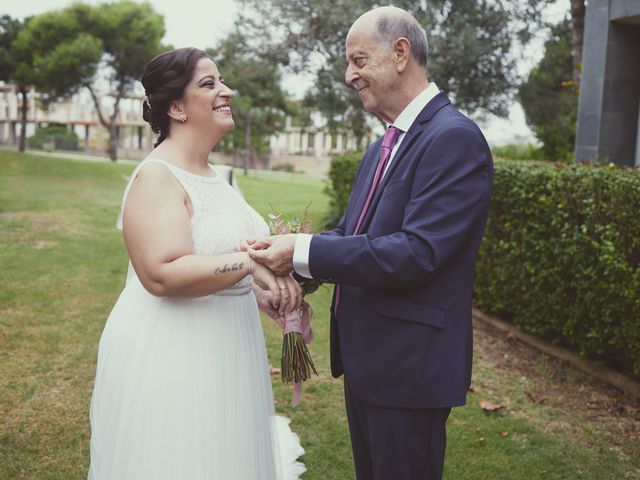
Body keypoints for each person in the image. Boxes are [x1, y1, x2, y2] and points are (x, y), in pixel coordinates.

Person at [248, 6, 493, 480]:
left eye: (358, 60)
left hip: (408, 368)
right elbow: (352, 234)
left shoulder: (453, 139)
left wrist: (301, 249)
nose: (349, 75)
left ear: (400, 53)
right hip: (368, 363)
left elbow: (418, 252)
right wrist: (290, 264)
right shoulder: (384, 143)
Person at [88, 47, 306, 479]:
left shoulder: (219, 177)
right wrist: (248, 265)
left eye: (222, 81)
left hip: (228, 343)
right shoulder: (156, 176)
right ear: (175, 108)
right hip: (173, 348)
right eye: (209, 84)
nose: (226, 91)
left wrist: (266, 291)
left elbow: (217, 260)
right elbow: (162, 273)